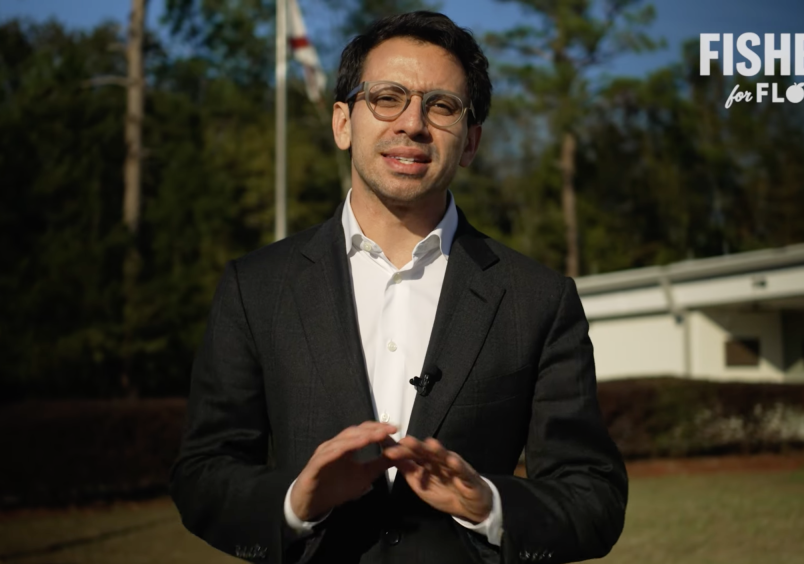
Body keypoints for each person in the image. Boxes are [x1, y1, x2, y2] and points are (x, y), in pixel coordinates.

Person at [170, 11, 627, 564]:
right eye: (387, 98)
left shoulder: (538, 300)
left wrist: (490, 506)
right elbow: (203, 474)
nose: (412, 123)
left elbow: (594, 497)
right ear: (343, 123)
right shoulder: (256, 288)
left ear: (471, 142)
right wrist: (295, 503)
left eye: (442, 106)